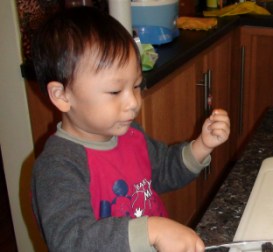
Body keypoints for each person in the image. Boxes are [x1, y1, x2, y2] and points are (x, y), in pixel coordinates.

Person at [31, 6, 230, 252]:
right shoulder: (57, 165)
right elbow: (71, 241)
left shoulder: (130, 135)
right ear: (62, 96)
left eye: (136, 86)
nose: (133, 102)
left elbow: (165, 169)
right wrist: (151, 230)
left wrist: (202, 145)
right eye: (115, 91)